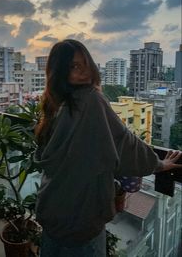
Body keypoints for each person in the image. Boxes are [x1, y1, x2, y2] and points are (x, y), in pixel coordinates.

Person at [34, 39, 182, 257]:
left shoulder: (54, 104)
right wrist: (159, 164)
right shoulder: (90, 99)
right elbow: (124, 142)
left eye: (86, 63)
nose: (84, 72)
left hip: (51, 208)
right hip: (80, 217)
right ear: (60, 72)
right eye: (75, 66)